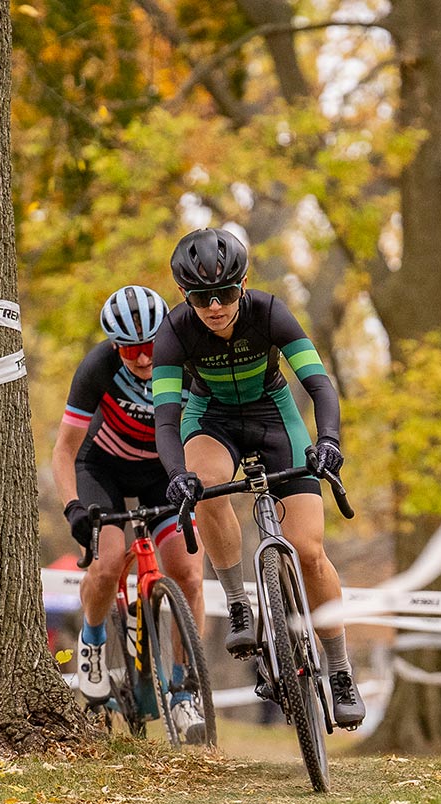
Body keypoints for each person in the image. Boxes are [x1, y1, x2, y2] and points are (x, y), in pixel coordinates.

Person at [150, 227, 364, 728]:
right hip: (210, 419)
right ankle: (239, 602)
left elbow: (319, 385)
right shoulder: (175, 332)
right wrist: (177, 474)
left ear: (243, 284)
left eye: (225, 293)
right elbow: (165, 418)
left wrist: (328, 441)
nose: (216, 306)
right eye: (202, 297)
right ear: (185, 296)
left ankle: (339, 669)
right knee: (202, 487)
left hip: (274, 416)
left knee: (309, 551)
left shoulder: (271, 312)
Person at [51, 285, 208, 739]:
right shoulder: (98, 367)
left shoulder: (183, 359)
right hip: (103, 469)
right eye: (132, 350)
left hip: (163, 471)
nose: (143, 359)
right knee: (107, 563)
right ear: (115, 346)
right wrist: (73, 508)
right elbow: (64, 451)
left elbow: (201, 427)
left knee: (189, 573)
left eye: (151, 347)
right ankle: (95, 642)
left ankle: (184, 691)